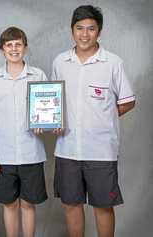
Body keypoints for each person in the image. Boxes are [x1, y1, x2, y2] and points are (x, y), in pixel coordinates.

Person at [51, 5, 136, 237]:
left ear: (99, 32)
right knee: (71, 204)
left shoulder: (113, 63)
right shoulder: (60, 62)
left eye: (91, 28)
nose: (84, 34)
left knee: (103, 206)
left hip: (101, 150)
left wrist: (104, 116)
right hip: (67, 149)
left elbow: (128, 101)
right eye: (79, 28)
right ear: (72, 30)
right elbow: (51, 101)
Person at [0, 26, 48, 237]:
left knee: (28, 204)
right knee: (9, 204)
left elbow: (48, 110)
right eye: (9, 45)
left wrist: (45, 123)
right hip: (4, 154)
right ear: (2, 49)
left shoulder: (38, 75)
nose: (14, 49)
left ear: (25, 47)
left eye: (18, 44)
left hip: (31, 153)